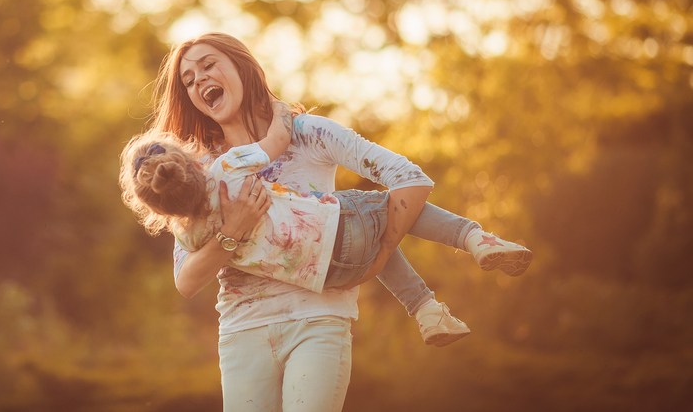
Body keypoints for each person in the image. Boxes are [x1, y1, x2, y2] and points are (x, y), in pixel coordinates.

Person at [136, 32, 532, 412]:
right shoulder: (196, 172)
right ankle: (452, 269)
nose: (199, 79)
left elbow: (407, 180)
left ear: (241, 66)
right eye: (189, 80)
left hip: (319, 320)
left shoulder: (308, 134)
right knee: (357, 212)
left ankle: (466, 250)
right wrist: (231, 232)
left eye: (208, 65)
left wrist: (380, 257)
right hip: (243, 331)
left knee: (356, 211)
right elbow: (186, 280)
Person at [120, 102, 531, 338]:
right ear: (191, 161)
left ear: (158, 210)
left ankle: (427, 312)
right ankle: (475, 238)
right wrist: (280, 110)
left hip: (325, 277)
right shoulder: (227, 167)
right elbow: (278, 140)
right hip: (335, 226)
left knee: (376, 235)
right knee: (389, 211)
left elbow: (188, 280)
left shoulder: (188, 238)